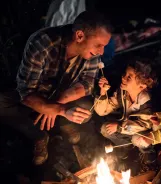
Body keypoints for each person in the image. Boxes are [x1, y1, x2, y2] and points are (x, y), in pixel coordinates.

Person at [0, 11, 112, 165]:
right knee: (2, 104)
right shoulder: (42, 42)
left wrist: (58, 103)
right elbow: (26, 93)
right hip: (35, 96)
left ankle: (63, 124)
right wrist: (61, 110)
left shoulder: (92, 54)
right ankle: (39, 136)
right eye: (99, 45)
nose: (101, 52)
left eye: (104, 46)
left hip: (59, 95)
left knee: (86, 110)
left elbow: (87, 84)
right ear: (79, 36)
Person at [95, 59, 157, 164]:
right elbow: (102, 111)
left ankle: (148, 152)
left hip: (143, 133)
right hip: (127, 129)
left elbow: (144, 125)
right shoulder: (122, 93)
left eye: (129, 77)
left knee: (137, 138)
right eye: (125, 74)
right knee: (105, 129)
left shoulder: (146, 101)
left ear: (141, 86)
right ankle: (127, 148)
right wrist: (103, 91)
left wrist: (119, 127)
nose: (123, 77)